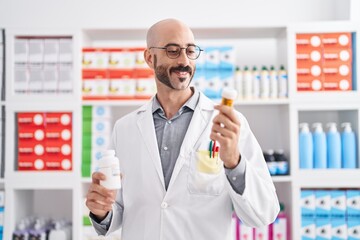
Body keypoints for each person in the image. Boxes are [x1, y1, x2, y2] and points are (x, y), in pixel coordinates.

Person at [86, 18, 280, 240]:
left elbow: (265, 213)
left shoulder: (228, 124)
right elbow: (118, 209)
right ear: (150, 57)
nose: (184, 61)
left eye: (190, 51)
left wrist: (234, 162)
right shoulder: (125, 128)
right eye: (172, 51)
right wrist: (101, 211)